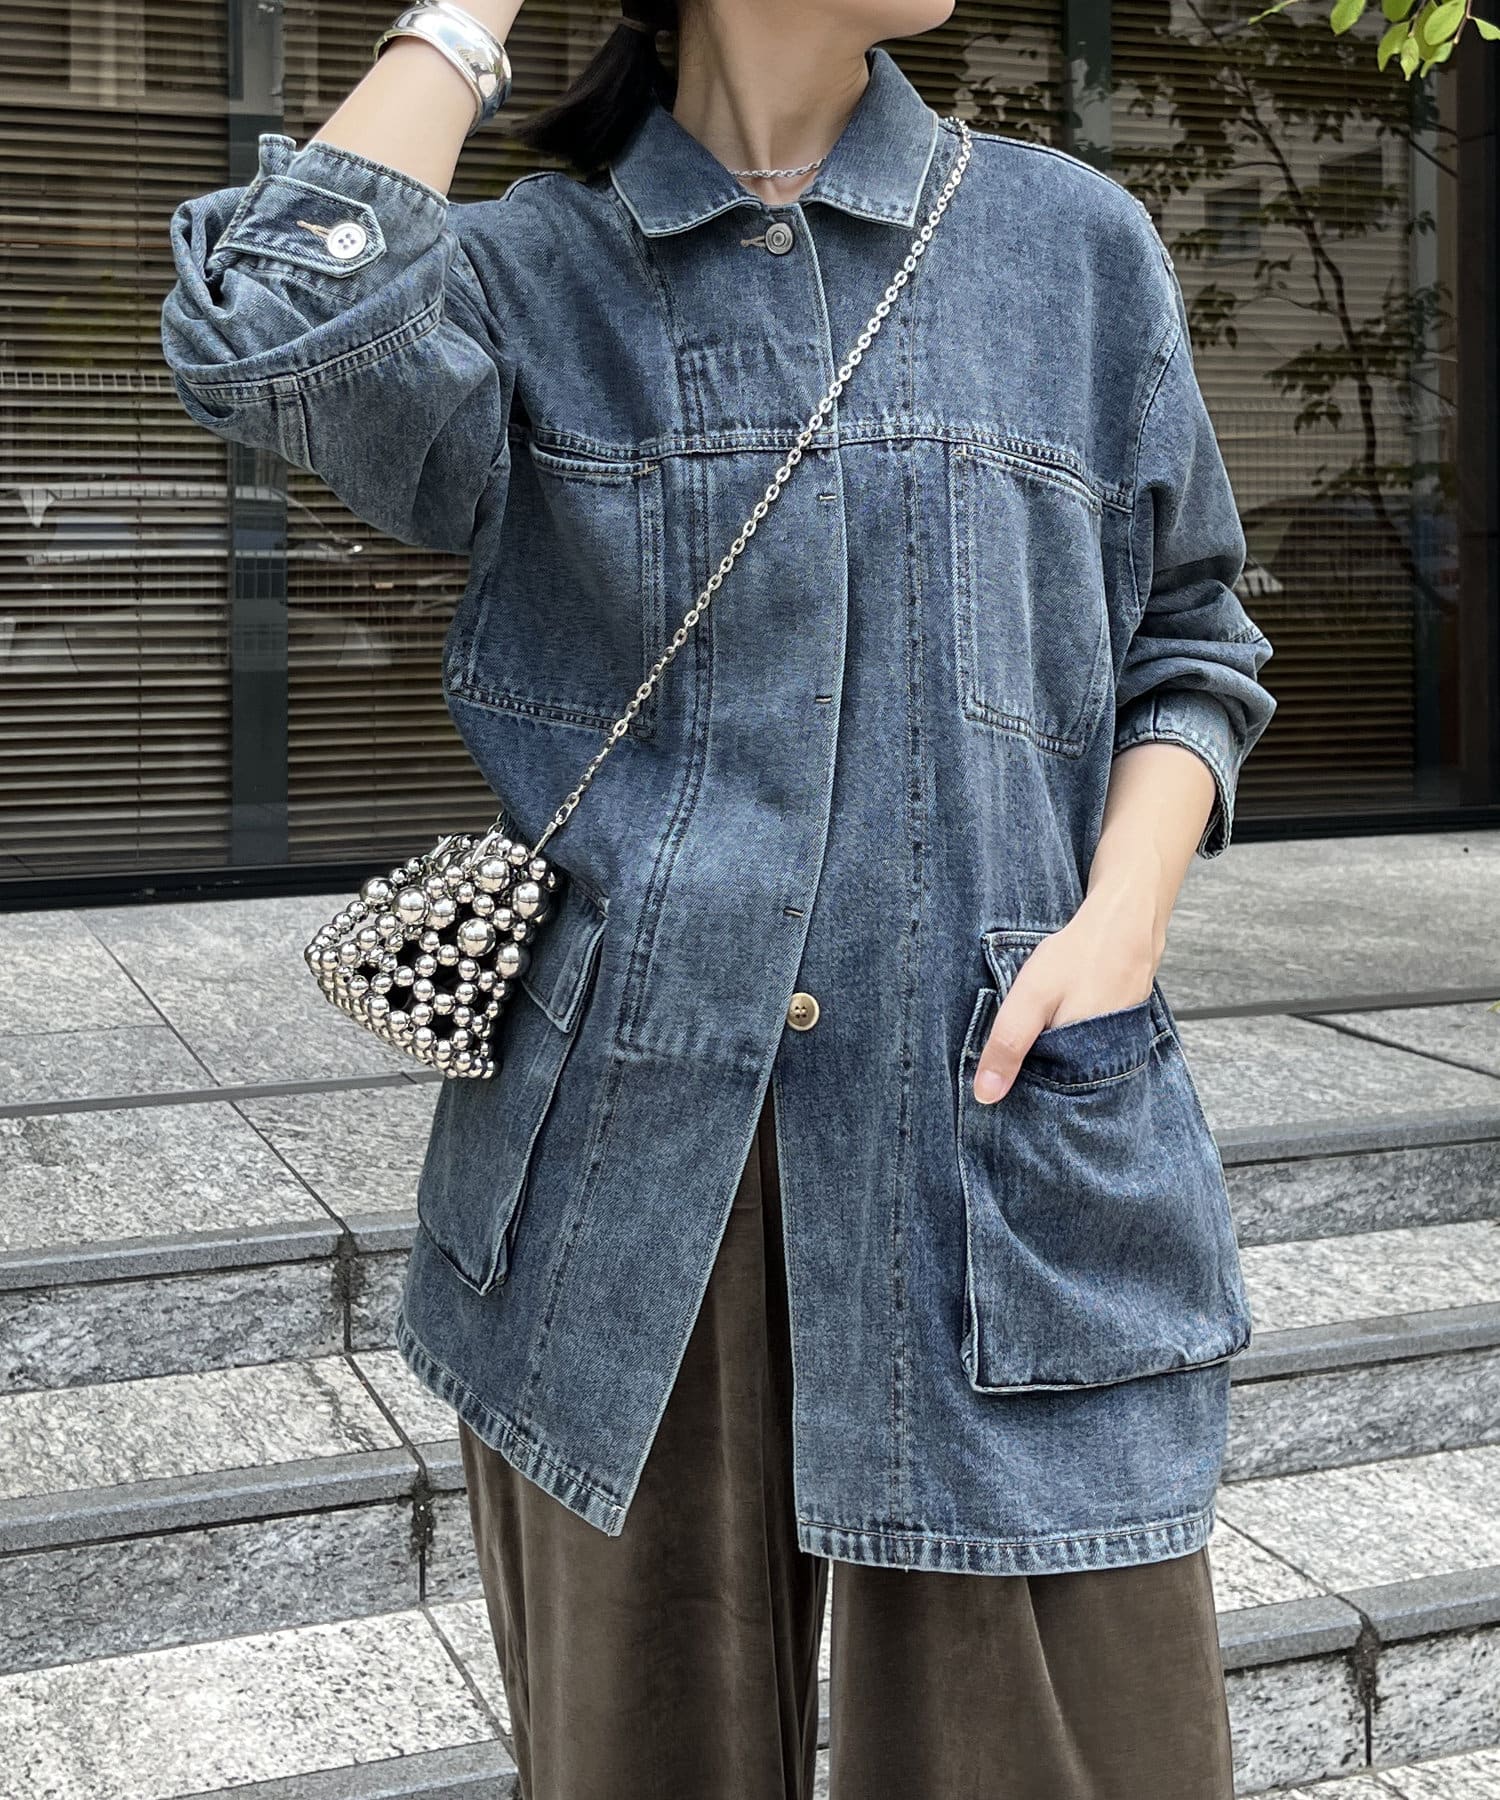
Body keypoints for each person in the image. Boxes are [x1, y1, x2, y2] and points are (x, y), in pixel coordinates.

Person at [161, 1, 1277, 1794]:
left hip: (1000, 1132)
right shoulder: (530, 274)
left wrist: (1122, 919)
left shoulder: (1066, 246)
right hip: (620, 1175)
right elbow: (269, 332)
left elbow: (1192, 634)